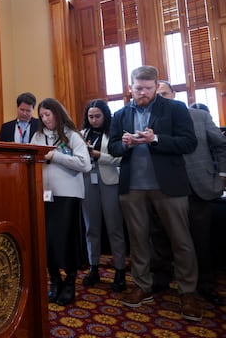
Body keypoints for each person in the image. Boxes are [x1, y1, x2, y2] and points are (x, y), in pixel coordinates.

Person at [108, 66, 200, 321]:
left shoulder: (175, 109)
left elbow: (188, 143)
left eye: (148, 88)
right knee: (138, 241)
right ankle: (142, 286)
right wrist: (124, 144)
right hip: (132, 187)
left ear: (156, 86)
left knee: (181, 240)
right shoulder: (120, 113)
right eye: (138, 88)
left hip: (168, 186)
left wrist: (156, 139)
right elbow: (113, 146)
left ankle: (188, 292)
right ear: (130, 87)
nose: (143, 93)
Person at [151, 81, 226, 306]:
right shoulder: (151, 121)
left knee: (200, 240)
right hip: (164, 188)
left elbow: (221, 145)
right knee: (162, 238)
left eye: (164, 93)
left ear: (174, 94)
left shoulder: (198, 117)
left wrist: (221, 175)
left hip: (197, 187)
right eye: (158, 96)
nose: (162, 98)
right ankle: (162, 280)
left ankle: (205, 285)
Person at [30, 98, 91, 306]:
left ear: (57, 113)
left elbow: (85, 164)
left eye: (48, 114)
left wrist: (55, 157)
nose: (45, 119)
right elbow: (29, 158)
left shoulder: (72, 135)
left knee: (67, 240)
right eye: (42, 116)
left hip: (68, 194)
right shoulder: (37, 136)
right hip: (45, 194)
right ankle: (55, 280)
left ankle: (70, 282)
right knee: (48, 241)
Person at [80, 99, 127, 292]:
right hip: (87, 182)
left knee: (114, 227)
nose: (94, 120)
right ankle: (93, 267)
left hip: (110, 181)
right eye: (90, 116)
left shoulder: (114, 133)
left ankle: (120, 270)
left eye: (97, 116)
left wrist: (98, 155)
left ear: (105, 116)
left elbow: (120, 158)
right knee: (91, 226)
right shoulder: (82, 134)